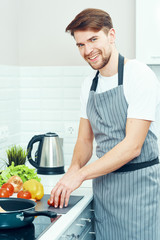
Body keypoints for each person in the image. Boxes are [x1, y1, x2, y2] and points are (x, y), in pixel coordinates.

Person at [50, 8, 160, 239]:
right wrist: (73, 170)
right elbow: (85, 139)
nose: (88, 50)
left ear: (111, 35)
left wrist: (80, 176)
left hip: (139, 190)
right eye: (81, 45)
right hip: (105, 190)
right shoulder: (89, 84)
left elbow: (132, 146)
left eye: (93, 39)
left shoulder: (138, 74)